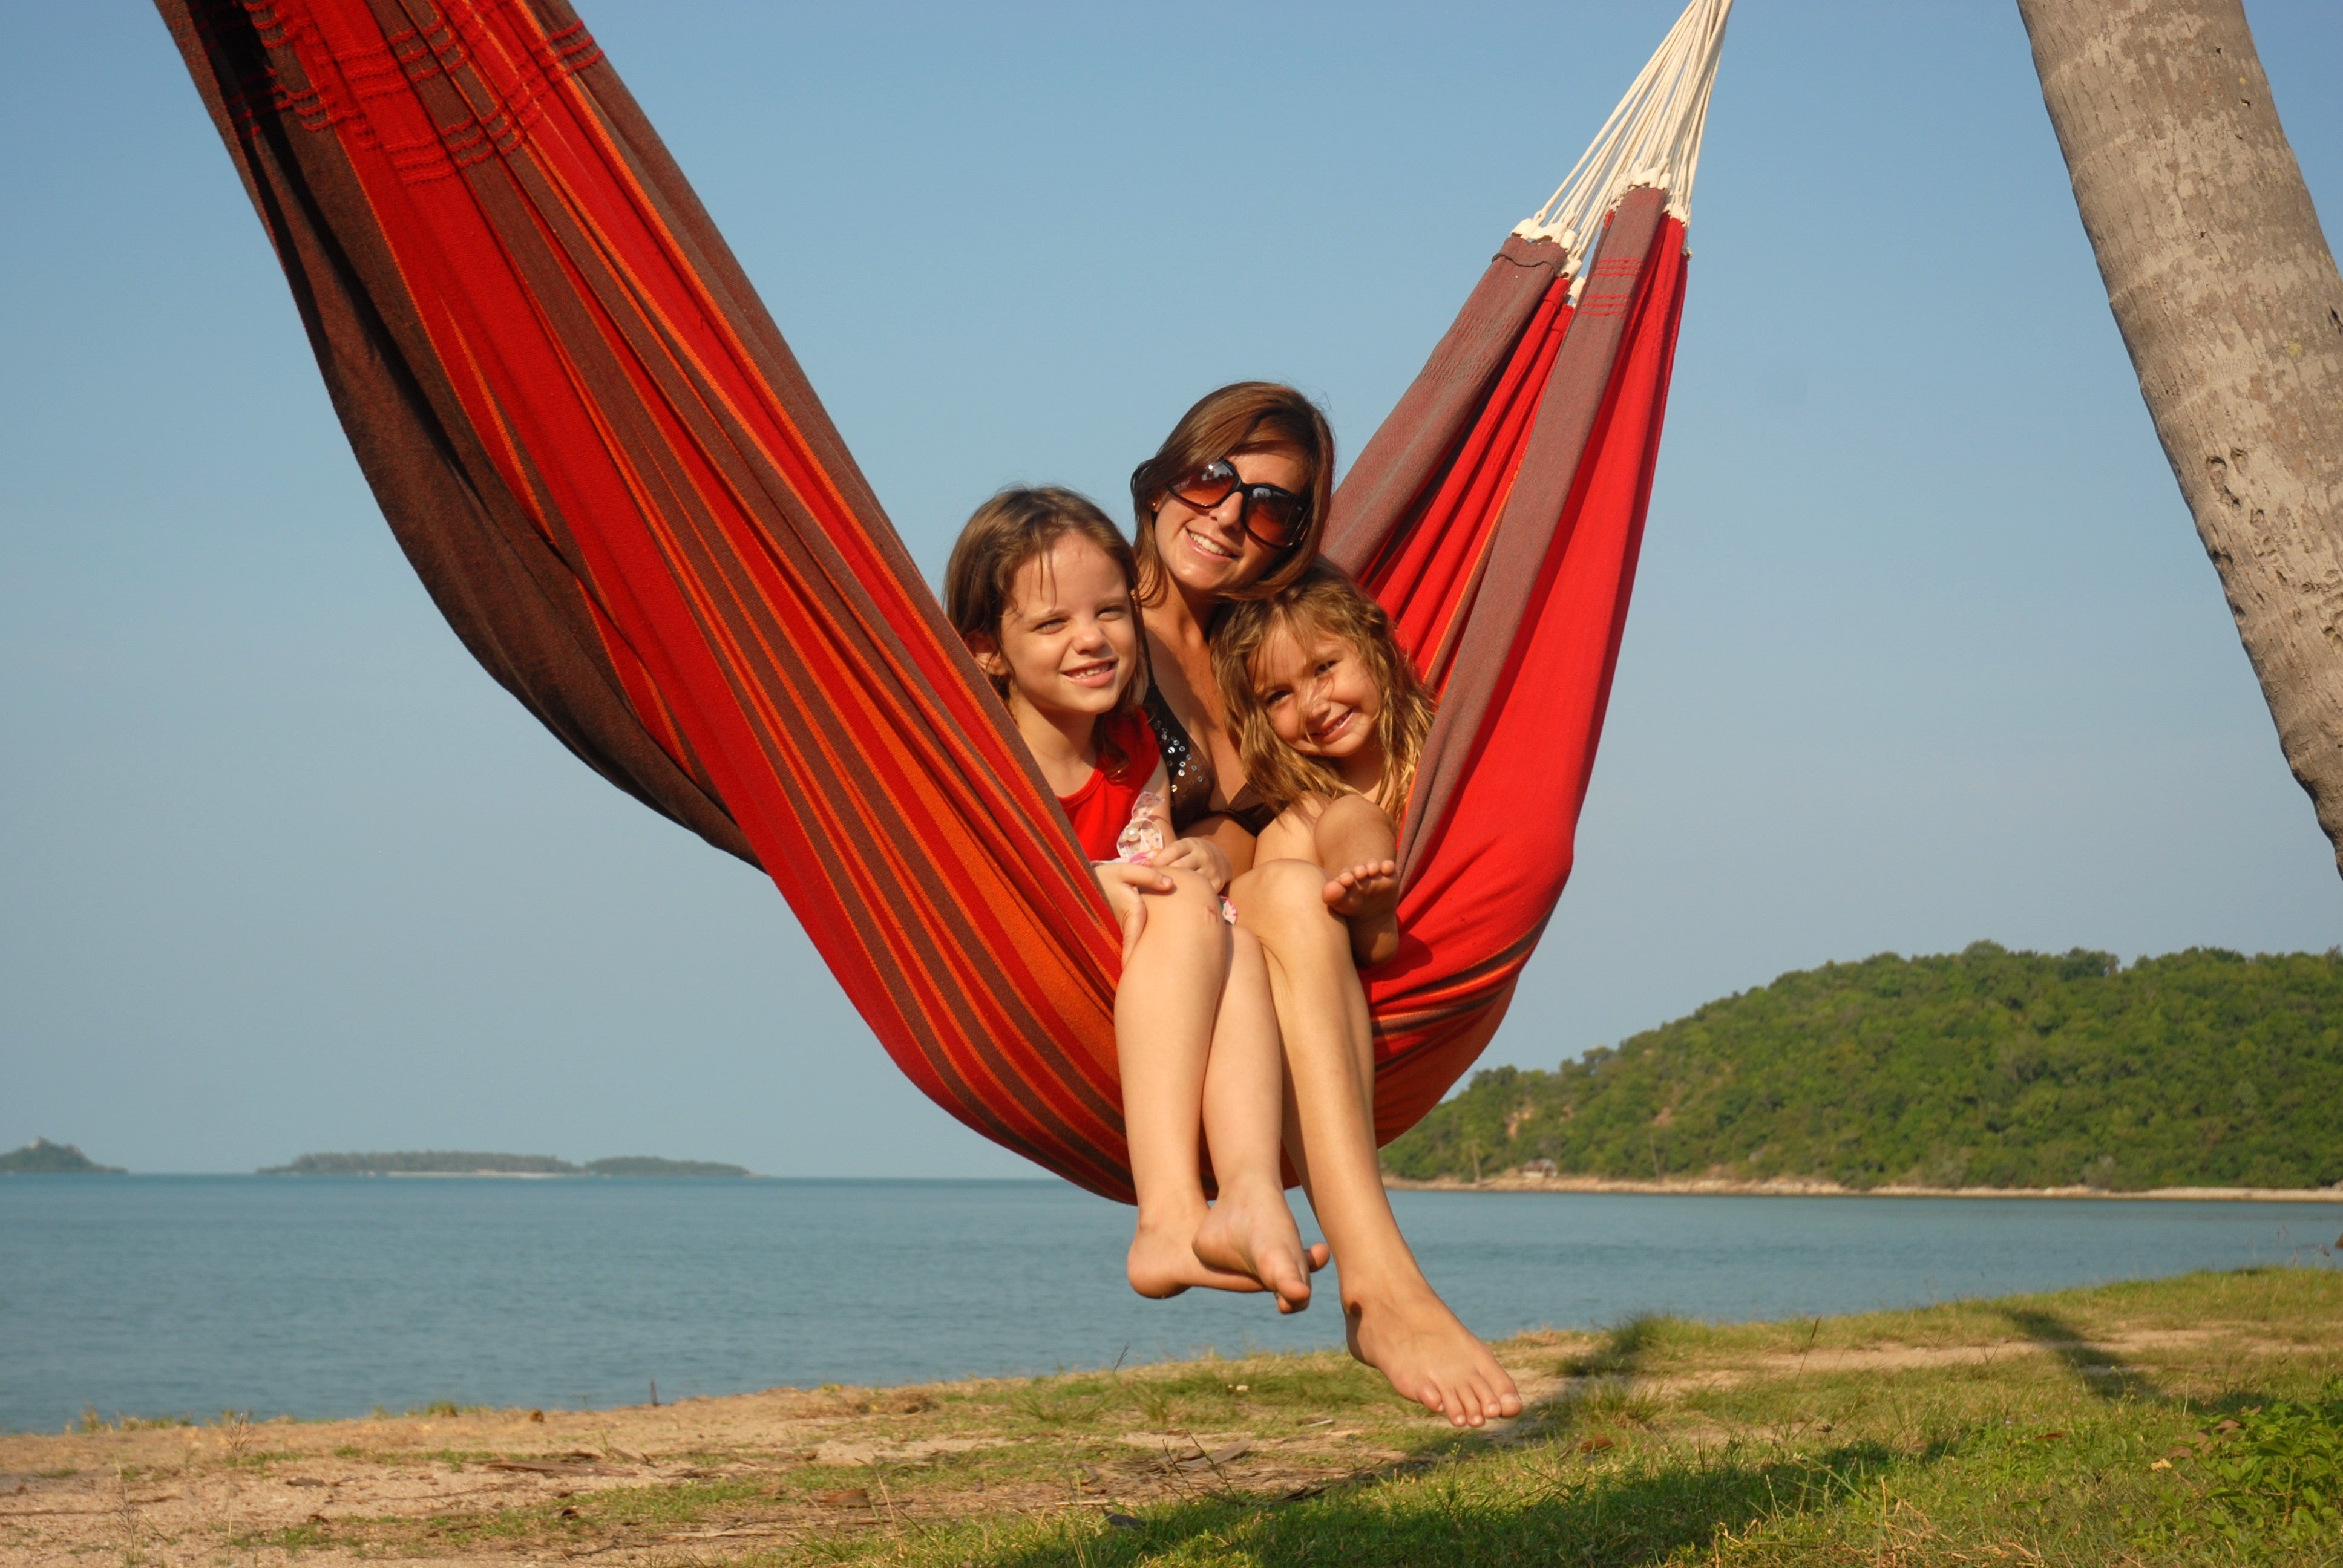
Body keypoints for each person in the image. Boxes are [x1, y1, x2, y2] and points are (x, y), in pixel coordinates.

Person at [1129, 385, 1524, 1427]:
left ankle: (1375, 1284)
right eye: (1213, 478)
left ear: (1293, 538)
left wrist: (1228, 849)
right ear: (1166, 474)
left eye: (1269, 506)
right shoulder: (1090, 615)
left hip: (1252, 953)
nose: (1227, 515)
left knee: (1294, 886)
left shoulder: (1256, 640)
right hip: (1133, 949)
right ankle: (1379, 1281)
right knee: (1288, 888)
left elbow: (1283, 809)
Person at [943, 487, 1323, 1312]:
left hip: (1147, 988)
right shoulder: (984, 761)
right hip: (1029, 977)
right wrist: (1086, 888)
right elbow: (960, 887)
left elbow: (1150, 854)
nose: (1091, 640)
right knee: (1187, 905)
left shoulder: (1129, 745)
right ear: (988, 651)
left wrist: (1208, 864)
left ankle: (1252, 1191)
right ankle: (1169, 1215)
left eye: (1111, 612)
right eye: (1051, 625)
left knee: (1239, 935)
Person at [1211, 563, 1434, 970]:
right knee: (1324, 815)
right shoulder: (1299, 813)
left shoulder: (1443, 753)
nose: (1313, 707)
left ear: (1373, 644)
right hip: (1294, 968)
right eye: (1279, 696)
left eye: (1324, 668)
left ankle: (1365, 899)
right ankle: (1366, 907)